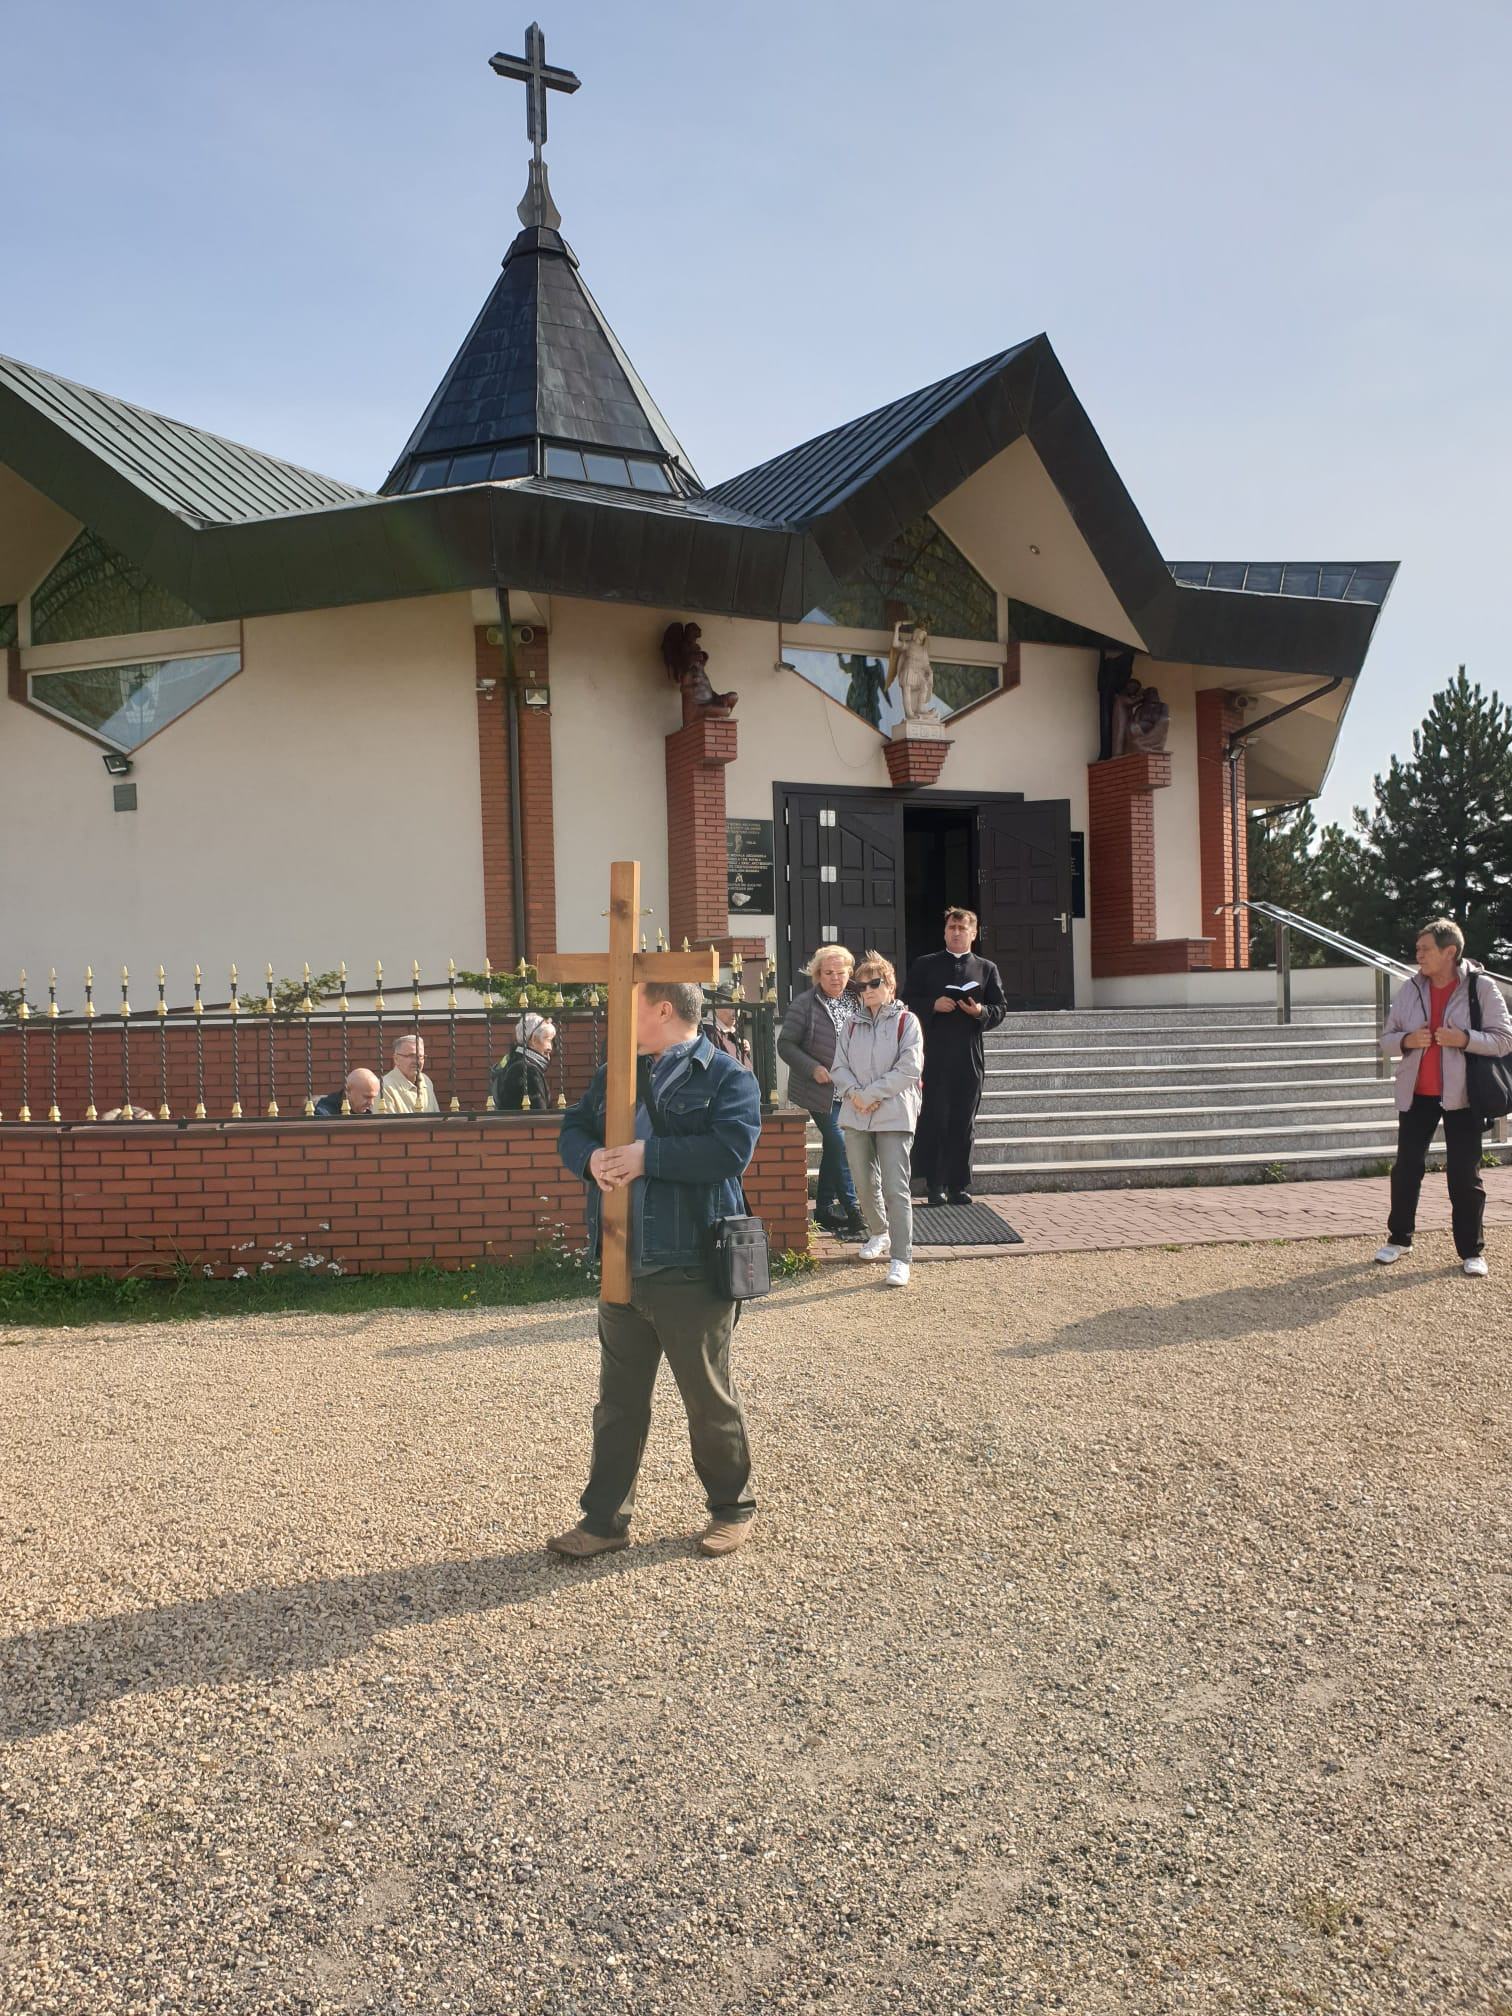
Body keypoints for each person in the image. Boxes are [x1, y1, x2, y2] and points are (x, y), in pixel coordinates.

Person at [550, 980, 762, 1561]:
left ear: (664, 1009)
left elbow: (731, 1151)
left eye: (631, 1005)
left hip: (691, 1264)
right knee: (617, 1404)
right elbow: (573, 1129)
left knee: (707, 1398)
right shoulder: (615, 1073)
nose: (618, 1017)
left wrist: (648, 1156)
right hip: (619, 1260)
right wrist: (590, 1158)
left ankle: (732, 1508)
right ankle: (604, 1521)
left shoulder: (728, 1076)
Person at [1375, 917, 1512, 1277]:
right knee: (1406, 1168)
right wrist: (1408, 1040)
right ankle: (1399, 1239)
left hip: (1464, 1096)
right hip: (1417, 1094)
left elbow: (1504, 1039)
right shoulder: (1411, 989)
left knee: (1464, 1175)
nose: (1417, 954)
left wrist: (1463, 1039)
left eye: (1425, 949)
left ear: (1449, 951)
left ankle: (1472, 1251)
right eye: (1417, 948)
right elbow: (1386, 1040)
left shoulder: (1482, 987)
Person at [903, 906, 1007, 1206]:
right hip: (933, 1051)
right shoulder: (925, 964)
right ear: (945, 932)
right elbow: (907, 1000)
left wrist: (981, 1011)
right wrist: (933, 1005)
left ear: (973, 934)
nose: (957, 933)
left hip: (968, 1052)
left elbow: (1000, 1008)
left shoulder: (986, 968)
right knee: (934, 1117)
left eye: (963, 928)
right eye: (952, 927)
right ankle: (934, 1185)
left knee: (963, 1119)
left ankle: (958, 1185)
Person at [832, 951, 924, 1289]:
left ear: (890, 986)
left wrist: (868, 1095)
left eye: (874, 983)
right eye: (861, 985)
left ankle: (901, 1257)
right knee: (863, 1180)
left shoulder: (906, 1022)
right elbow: (838, 1066)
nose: (867, 990)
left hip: (894, 1113)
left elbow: (909, 1068)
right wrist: (855, 1093)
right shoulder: (850, 1025)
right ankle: (878, 1232)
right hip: (856, 1112)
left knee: (895, 1187)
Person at [778, 946, 866, 1238]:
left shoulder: (859, 998)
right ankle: (853, 1210)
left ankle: (825, 1210)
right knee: (841, 1142)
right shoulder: (805, 1004)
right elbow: (785, 1044)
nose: (835, 978)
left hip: (852, 1089)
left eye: (840, 972)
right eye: (828, 973)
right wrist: (812, 1067)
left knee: (834, 1146)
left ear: (849, 973)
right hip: (820, 1090)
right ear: (817, 974)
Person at [492, 1012, 556, 1112]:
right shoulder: (527, 1070)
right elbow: (538, 1114)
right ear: (533, 1040)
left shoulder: (513, 1061)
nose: (550, 1047)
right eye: (548, 1040)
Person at [380, 1035, 439, 1114]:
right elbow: (385, 1121)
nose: (416, 1061)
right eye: (411, 1056)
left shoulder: (426, 1080)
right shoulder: (384, 1087)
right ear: (396, 1059)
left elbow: (436, 1117)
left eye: (420, 1056)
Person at [703, 988, 753, 1070]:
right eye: (731, 1006)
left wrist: (745, 1052)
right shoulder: (710, 1032)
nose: (736, 1012)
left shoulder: (730, 1031)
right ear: (716, 1005)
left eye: (738, 1007)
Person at [314, 1067, 380, 1117]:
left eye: (373, 1097)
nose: (371, 1103)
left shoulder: (368, 1110)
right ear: (348, 1091)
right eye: (367, 1097)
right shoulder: (325, 1111)